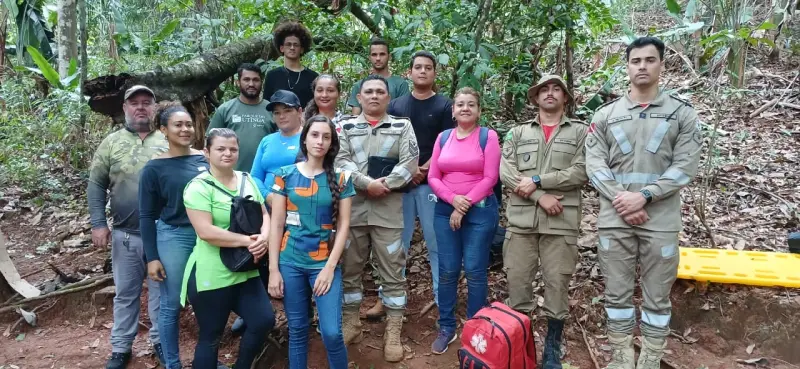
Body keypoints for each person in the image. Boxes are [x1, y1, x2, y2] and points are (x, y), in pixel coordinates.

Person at [585, 37, 701, 369]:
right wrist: (624, 200)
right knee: (617, 295)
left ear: (661, 65)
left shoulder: (681, 114)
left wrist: (644, 197)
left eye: (650, 60)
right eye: (636, 61)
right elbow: (594, 165)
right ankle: (622, 357)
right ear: (627, 66)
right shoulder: (606, 115)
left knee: (657, 296)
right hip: (615, 218)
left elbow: (684, 167)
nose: (642, 66)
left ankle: (650, 359)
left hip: (660, 220)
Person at [499, 75, 588, 369]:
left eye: (556, 89)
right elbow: (507, 172)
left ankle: (551, 347)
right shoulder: (517, 133)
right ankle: (521, 347)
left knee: (557, 283)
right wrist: (540, 196)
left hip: (561, 221)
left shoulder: (580, 132)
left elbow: (581, 172)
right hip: (522, 222)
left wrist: (537, 180)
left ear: (565, 97)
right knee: (518, 282)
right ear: (535, 98)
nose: (550, 94)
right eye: (543, 90)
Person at [334, 75, 419, 362]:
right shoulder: (345, 127)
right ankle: (351, 324)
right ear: (358, 97)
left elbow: (411, 163)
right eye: (368, 91)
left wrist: (384, 185)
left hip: (388, 210)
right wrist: (365, 183)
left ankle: (393, 330)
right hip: (354, 210)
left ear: (387, 98)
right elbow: (339, 162)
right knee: (350, 269)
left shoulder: (402, 125)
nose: (373, 96)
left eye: (379, 92)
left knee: (393, 270)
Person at [181, 128, 276, 369]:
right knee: (211, 336)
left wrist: (264, 237)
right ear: (207, 152)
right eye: (220, 149)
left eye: (232, 149)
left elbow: (264, 213)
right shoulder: (198, 187)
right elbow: (206, 232)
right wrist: (249, 242)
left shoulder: (247, 179)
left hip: (245, 268)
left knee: (263, 320)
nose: (227, 154)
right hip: (212, 273)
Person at [267, 115, 355, 369]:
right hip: (290, 261)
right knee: (297, 330)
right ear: (304, 138)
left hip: (324, 263)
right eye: (315, 135)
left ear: (332, 143)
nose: (320, 141)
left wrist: (329, 268)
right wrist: (273, 270)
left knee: (331, 332)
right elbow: (276, 224)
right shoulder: (284, 175)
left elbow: (344, 226)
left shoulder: (341, 179)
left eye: (326, 137)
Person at [88, 85, 166, 369]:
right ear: (124, 108)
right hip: (125, 233)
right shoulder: (111, 143)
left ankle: (161, 341)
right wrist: (98, 223)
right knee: (125, 292)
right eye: (135, 103)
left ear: (155, 107)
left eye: (147, 102)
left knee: (162, 291)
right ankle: (121, 347)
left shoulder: (168, 139)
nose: (141, 107)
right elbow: (96, 184)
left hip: (162, 233)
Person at [374, 50, 452, 319]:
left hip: (432, 183)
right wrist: (408, 171)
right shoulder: (396, 106)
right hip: (401, 185)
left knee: (435, 241)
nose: (422, 71)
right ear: (409, 72)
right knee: (397, 242)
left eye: (428, 67)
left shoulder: (444, 105)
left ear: (434, 73)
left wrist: (422, 170)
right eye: (417, 67)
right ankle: (388, 296)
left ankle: (444, 299)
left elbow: (446, 142)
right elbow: (391, 145)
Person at [427, 88, 500, 354]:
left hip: (479, 212)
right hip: (445, 210)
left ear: (479, 110)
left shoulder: (487, 137)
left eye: (471, 104)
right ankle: (446, 326)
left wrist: (463, 204)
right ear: (453, 110)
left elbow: (490, 178)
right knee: (447, 271)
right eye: (460, 104)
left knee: (474, 270)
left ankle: (474, 327)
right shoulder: (443, 137)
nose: (465, 108)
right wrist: (453, 200)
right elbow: (433, 176)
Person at [139, 102, 209, 369]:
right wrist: (152, 257)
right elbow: (146, 215)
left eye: (188, 124)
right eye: (178, 125)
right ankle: (173, 364)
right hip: (174, 237)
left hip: (206, 237)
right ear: (163, 130)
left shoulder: (204, 159)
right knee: (171, 303)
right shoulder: (154, 168)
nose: (185, 129)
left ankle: (206, 360)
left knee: (206, 299)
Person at [207, 63, 276, 172]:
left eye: (256, 80)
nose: (251, 84)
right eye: (246, 79)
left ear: (261, 82)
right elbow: (209, 143)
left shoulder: (272, 110)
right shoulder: (225, 109)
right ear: (238, 82)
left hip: (264, 176)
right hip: (231, 175)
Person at [251, 90, 305, 201]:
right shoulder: (267, 140)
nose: (282, 116)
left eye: (287, 111)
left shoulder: (309, 138)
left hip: (297, 204)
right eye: (277, 113)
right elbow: (255, 176)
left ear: (299, 112)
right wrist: (267, 196)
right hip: (266, 206)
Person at [348, 38, 410, 115]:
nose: (378, 58)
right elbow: (355, 116)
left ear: (389, 56)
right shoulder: (359, 85)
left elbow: (403, 114)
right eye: (374, 55)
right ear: (369, 57)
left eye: (382, 54)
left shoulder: (400, 84)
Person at [263, 21, 319, 108]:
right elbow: (266, 105)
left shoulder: (313, 77)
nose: (292, 48)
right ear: (282, 48)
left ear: (302, 49)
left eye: (296, 45)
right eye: (288, 44)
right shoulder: (272, 75)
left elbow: (316, 106)